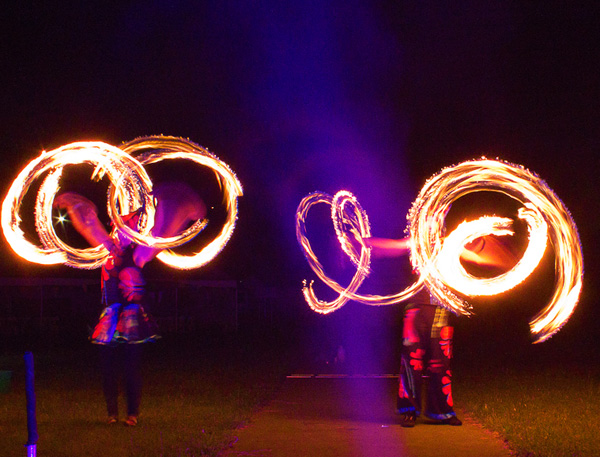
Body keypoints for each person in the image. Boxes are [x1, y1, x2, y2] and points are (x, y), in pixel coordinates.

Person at [54, 182, 206, 426]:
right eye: (120, 225)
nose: (122, 228)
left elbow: (161, 236)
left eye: (130, 225)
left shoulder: (137, 254)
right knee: (108, 367)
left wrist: (182, 207)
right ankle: (112, 413)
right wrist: (73, 202)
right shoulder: (107, 249)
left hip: (132, 320)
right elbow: (88, 224)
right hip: (110, 320)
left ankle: (132, 414)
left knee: (131, 366)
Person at [365, 235, 516, 427]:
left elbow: (476, 257)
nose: (431, 224)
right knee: (412, 361)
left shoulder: (449, 244)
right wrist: (365, 242)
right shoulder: (416, 241)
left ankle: (442, 411)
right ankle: (409, 411)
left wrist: (503, 260)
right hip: (416, 309)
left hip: (440, 309)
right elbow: (393, 247)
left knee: (441, 361)